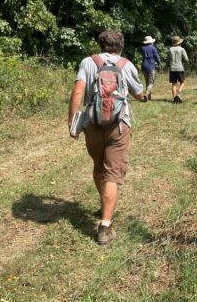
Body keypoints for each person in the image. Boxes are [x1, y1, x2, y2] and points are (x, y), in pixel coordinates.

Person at [68, 30, 145, 246]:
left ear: (100, 45)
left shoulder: (88, 62)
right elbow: (138, 93)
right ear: (121, 45)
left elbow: (77, 92)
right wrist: (143, 95)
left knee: (98, 165)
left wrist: (72, 123)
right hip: (118, 126)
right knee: (112, 174)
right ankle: (105, 225)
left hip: (92, 124)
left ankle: (104, 204)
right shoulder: (126, 65)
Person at [168, 36, 188, 103]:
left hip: (172, 68)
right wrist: (183, 62)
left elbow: (168, 59)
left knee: (174, 84)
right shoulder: (182, 49)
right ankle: (179, 92)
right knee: (183, 81)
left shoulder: (170, 49)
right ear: (180, 42)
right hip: (180, 67)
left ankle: (174, 99)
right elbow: (186, 59)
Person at [140, 35, 161, 101]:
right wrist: (159, 64)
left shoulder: (143, 48)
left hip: (144, 66)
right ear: (151, 42)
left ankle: (149, 98)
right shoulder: (153, 48)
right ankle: (146, 95)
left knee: (147, 82)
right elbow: (157, 57)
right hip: (151, 66)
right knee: (151, 83)